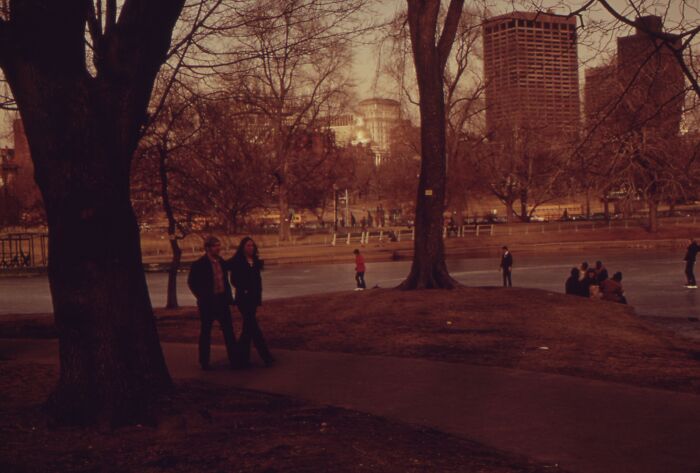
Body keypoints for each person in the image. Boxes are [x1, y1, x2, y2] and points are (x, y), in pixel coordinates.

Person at [187, 236, 237, 371]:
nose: (218, 248)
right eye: (215, 246)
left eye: (219, 245)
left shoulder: (221, 262)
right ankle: (204, 361)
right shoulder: (199, 264)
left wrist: (229, 298)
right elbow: (192, 283)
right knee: (206, 332)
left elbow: (226, 279)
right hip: (208, 303)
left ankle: (234, 360)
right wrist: (202, 297)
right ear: (208, 248)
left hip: (222, 301)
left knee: (229, 332)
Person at [228, 237, 274, 368]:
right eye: (248, 246)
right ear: (243, 247)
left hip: (253, 299)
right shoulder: (237, 261)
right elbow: (234, 280)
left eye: (252, 246)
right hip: (243, 299)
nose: (251, 248)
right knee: (253, 327)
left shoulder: (255, 262)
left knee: (248, 329)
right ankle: (266, 356)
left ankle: (240, 358)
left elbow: (257, 281)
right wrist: (245, 289)